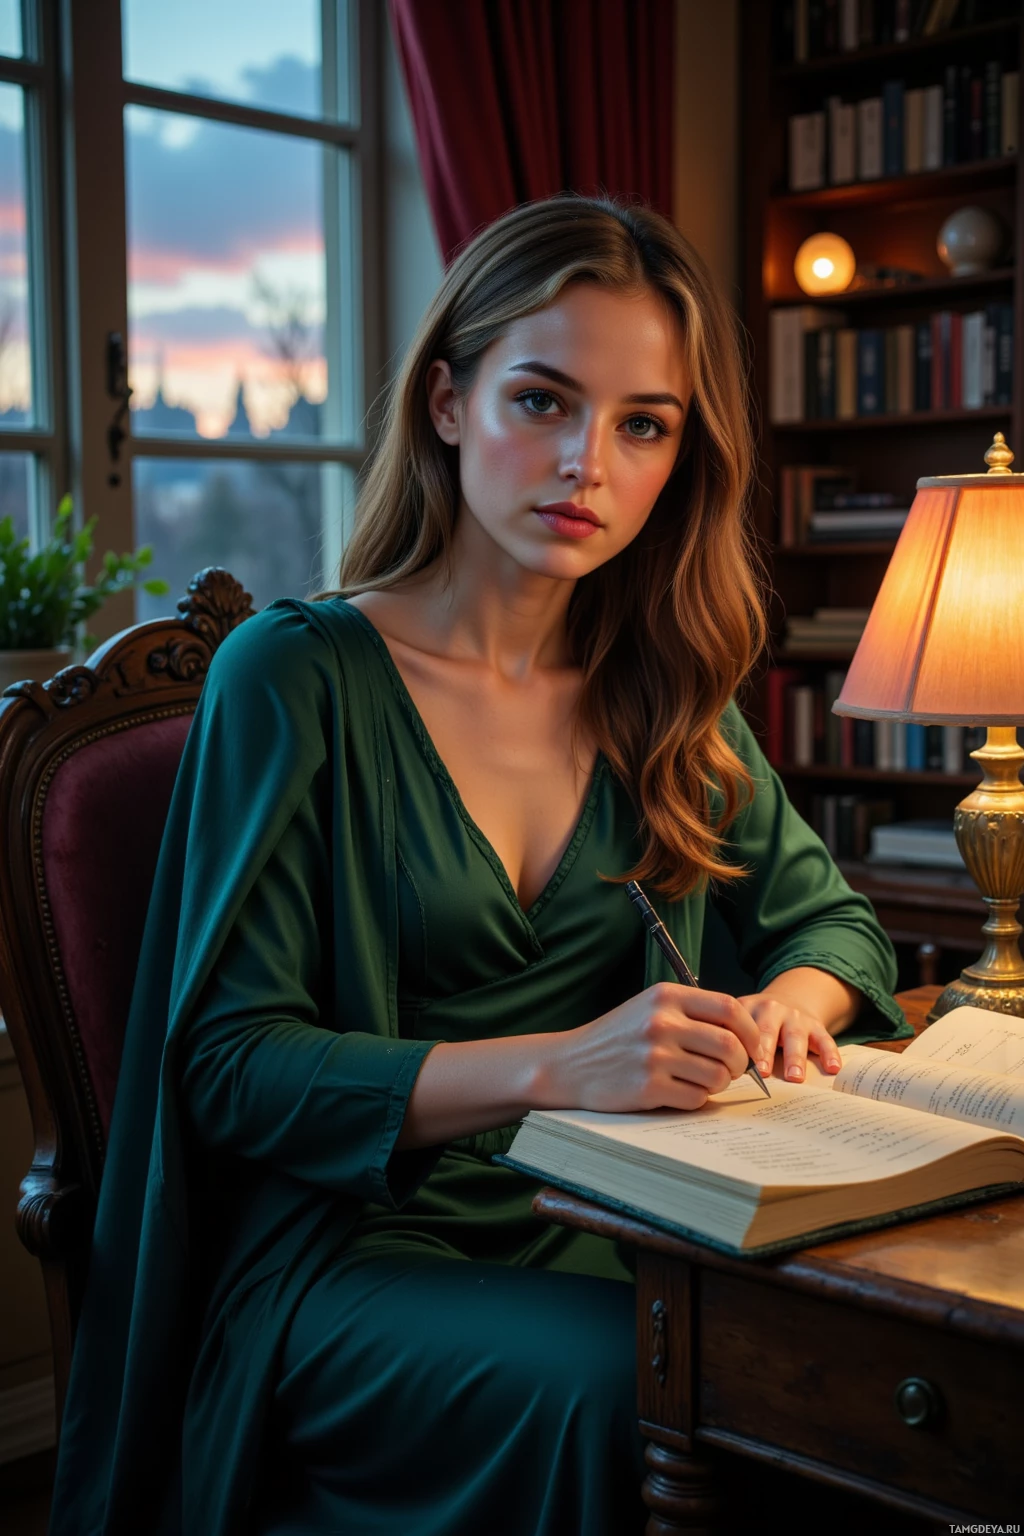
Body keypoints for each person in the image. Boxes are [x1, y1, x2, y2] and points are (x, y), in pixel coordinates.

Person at [49, 195, 909, 1536]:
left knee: (850, 1372)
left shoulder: (665, 687)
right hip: (354, 1254)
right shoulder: (295, 675)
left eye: (643, 424)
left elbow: (837, 930)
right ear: (448, 403)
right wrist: (564, 1064)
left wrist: (788, 1012)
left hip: (624, 1222)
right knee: (654, 1387)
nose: (590, 466)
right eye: (543, 401)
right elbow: (227, 1066)